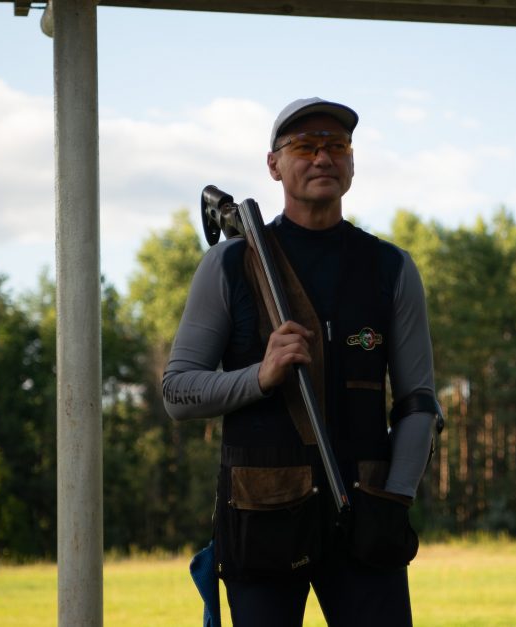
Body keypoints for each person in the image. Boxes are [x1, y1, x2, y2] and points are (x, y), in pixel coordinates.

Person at [163, 97, 440, 627]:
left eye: (336, 146)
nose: (323, 158)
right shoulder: (229, 263)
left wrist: (395, 499)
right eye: (305, 146)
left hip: (366, 520)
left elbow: (418, 404)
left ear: (352, 163)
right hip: (261, 517)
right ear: (274, 165)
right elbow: (177, 393)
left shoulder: (391, 267)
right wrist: (259, 377)